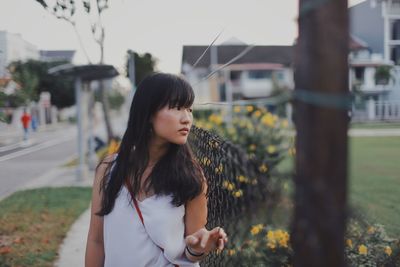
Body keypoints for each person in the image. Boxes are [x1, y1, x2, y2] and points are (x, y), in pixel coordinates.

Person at [85, 73, 228, 267]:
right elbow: (96, 241)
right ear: (149, 112)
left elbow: (191, 251)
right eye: (177, 108)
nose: (187, 119)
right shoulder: (109, 170)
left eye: (189, 109)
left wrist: (200, 247)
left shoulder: (191, 177)